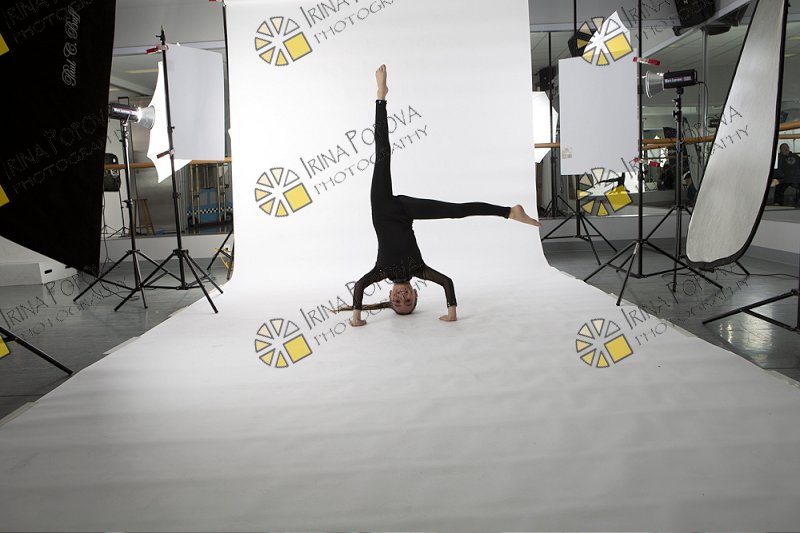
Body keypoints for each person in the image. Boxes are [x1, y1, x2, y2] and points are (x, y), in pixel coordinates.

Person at [343, 65, 541, 327]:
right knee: (455, 211)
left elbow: (359, 286)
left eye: (397, 302)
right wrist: (452, 312)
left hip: (381, 206)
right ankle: (509, 211)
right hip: (405, 211)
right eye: (408, 301)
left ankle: (381, 95)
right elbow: (447, 282)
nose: (402, 298)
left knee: (382, 153)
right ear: (415, 294)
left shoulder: (380, 272)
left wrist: (357, 317)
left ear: (390, 296)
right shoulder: (419, 269)